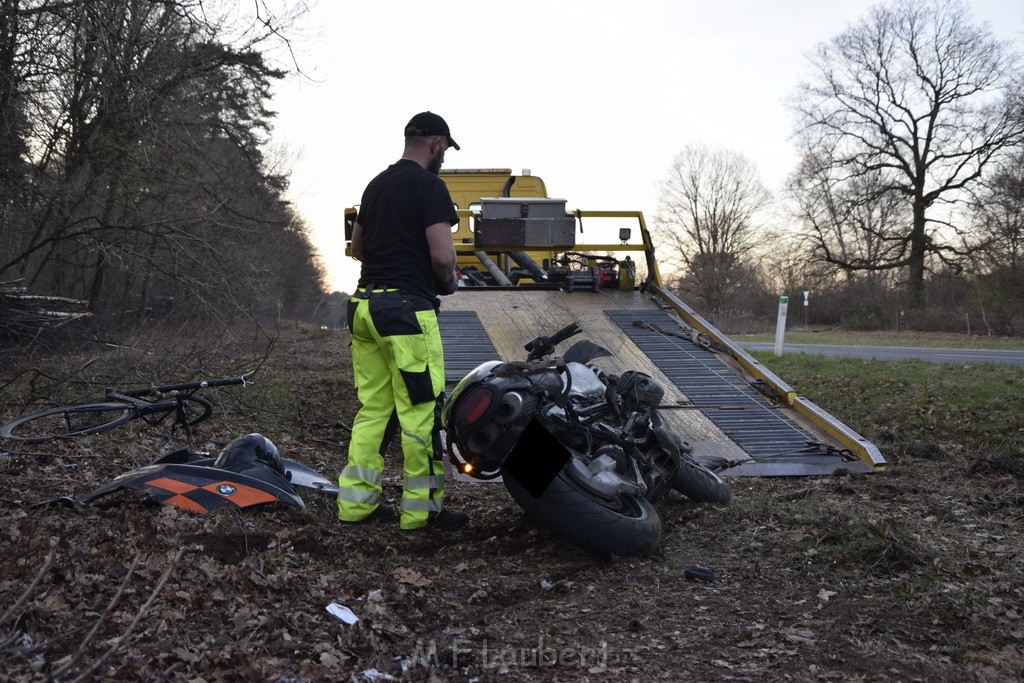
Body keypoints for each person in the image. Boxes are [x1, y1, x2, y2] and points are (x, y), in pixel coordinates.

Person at [337, 112, 468, 531]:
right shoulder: (431, 187)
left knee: (373, 409)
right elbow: (444, 256)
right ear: (435, 144)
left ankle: (357, 507)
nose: (444, 156)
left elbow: (356, 246)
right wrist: (445, 280)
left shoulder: (376, 184)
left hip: (364, 306)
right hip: (407, 313)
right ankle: (421, 514)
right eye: (445, 149)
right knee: (420, 413)